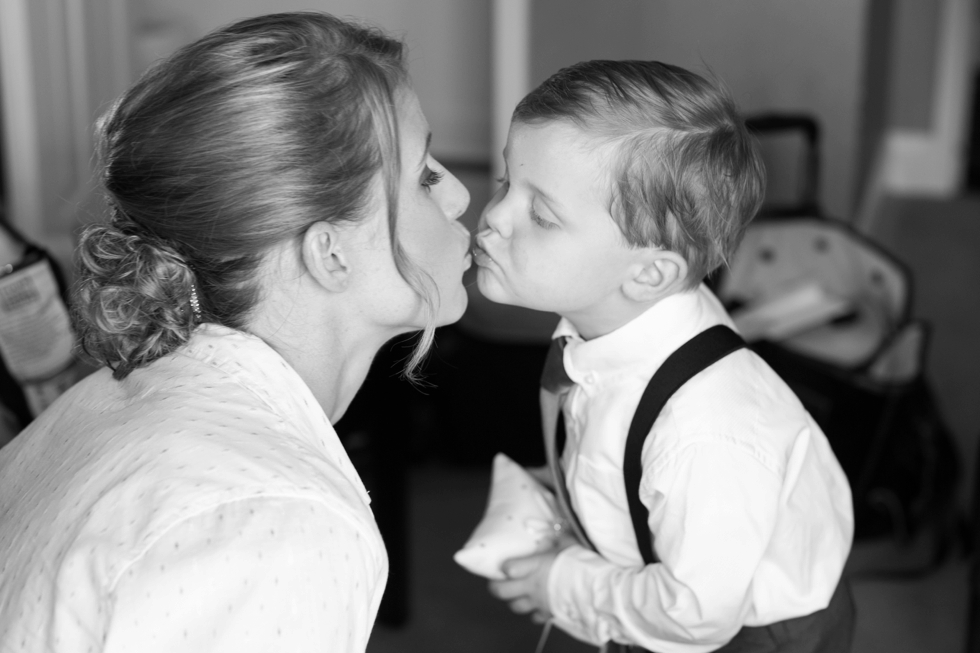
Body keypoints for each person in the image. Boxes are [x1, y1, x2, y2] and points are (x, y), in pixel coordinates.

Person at [0, 11, 471, 653]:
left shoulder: (107, 398)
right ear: (329, 253)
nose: (459, 198)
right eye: (422, 176)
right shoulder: (279, 522)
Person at [473, 60, 854, 652]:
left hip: (746, 633)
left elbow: (694, 616)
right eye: (505, 182)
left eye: (541, 216)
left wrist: (559, 582)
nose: (493, 216)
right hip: (662, 568)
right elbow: (618, 437)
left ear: (650, 273)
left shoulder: (705, 434)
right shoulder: (614, 312)